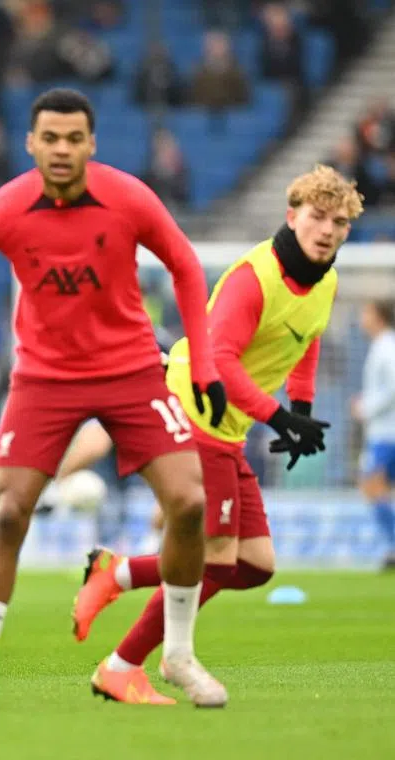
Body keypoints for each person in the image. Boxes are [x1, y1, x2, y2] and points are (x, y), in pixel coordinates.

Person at [0, 88, 230, 711]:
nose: (62, 149)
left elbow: (186, 266)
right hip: (45, 379)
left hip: (132, 370)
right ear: (31, 143)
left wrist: (205, 365)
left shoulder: (129, 197)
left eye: (73, 139)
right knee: (9, 514)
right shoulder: (7, 207)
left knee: (191, 503)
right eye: (50, 139)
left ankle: (179, 655)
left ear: (91, 143)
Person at [73, 165, 362, 703]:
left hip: (228, 424)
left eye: (340, 222)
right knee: (217, 556)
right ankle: (126, 664)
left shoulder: (326, 278)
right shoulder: (255, 277)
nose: (327, 230)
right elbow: (219, 361)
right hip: (193, 409)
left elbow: (308, 337)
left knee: (255, 565)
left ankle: (116, 575)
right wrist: (279, 417)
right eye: (318, 217)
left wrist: (300, 406)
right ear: (292, 215)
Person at [354, 299, 395, 569]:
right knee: (377, 489)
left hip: (387, 433)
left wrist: (367, 407)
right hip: (382, 432)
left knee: (372, 487)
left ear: (377, 316)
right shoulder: (381, 345)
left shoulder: (386, 347)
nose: (362, 317)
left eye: (365, 311)